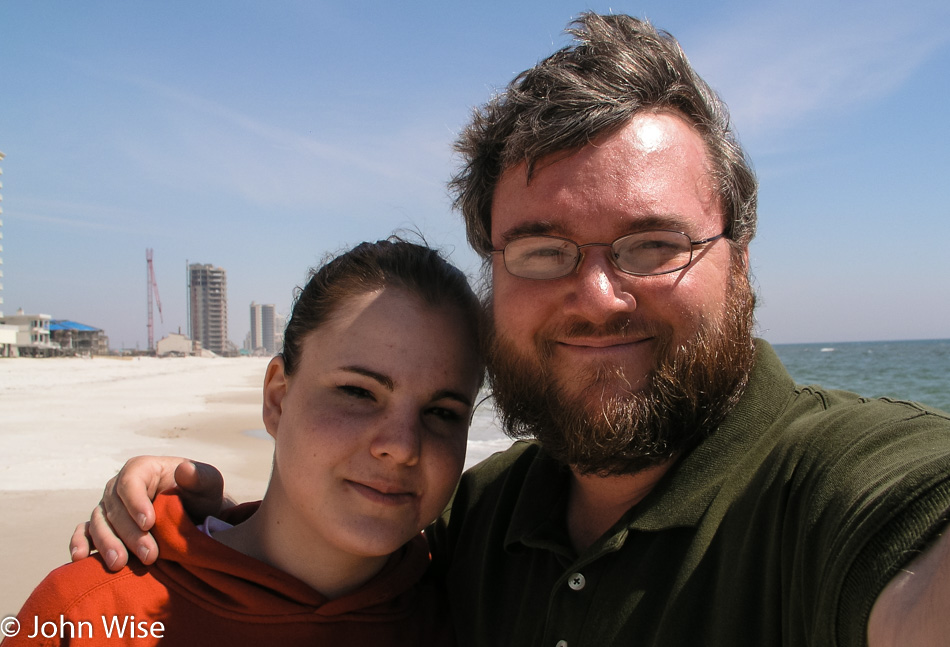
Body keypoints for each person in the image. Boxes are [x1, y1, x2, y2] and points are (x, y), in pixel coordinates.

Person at [70, 13, 950, 647]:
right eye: (542, 250)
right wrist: (183, 526)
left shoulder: (824, 492)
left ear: (742, 261)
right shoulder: (477, 518)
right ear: (495, 269)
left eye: (653, 244)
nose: (598, 295)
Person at [6, 239, 483, 646]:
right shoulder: (91, 614)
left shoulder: (473, 611)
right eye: (358, 392)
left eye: (443, 413)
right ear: (277, 398)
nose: (401, 446)